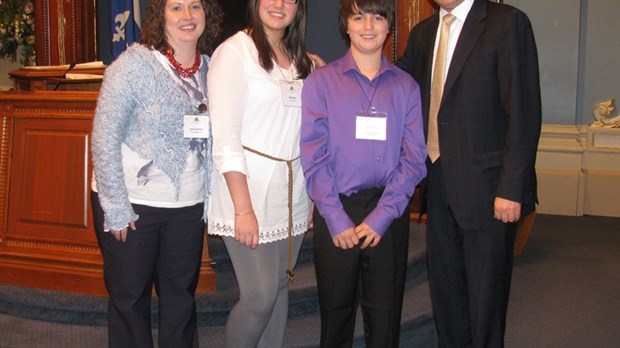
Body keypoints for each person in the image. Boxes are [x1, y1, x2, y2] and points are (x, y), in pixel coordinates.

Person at [397, 0, 542, 346]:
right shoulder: (423, 34)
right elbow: (389, 78)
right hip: (438, 181)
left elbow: (523, 111)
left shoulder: (507, 23)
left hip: (490, 189)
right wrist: (334, 70)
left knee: (485, 300)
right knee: (447, 295)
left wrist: (512, 187)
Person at [90, 0, 222, 346]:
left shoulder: (213, 68)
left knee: (180, 298)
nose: (187, 16)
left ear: (208, 15)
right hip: (133, 204)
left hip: (188, 206)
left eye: (195, 6)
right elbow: (104, 135)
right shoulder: (134, 64)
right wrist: (115, 206)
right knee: (129, 299)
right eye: (176, 7)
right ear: (159, 15)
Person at [300, 0, 427, 346]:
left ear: (388, 26)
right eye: (358, 17)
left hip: (388, 207)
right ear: (346, 25)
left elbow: (415, 156)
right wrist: (334, 217)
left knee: (385, 314)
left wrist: (384, 214)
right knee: (336, 312)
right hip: (336, 208)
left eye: (376, 17)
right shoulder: (321, 83)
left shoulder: (405, 87)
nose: (367, 26)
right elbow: (313, 154)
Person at [206, 0, 319, 347]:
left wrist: (311, 195)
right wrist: (243, 209)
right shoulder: (234, 53)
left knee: (281, 288)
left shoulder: (302, 59)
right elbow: (225, 139)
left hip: (291, 191)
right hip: (247, 191)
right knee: (259, 297)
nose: (279, 4)